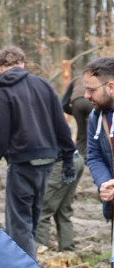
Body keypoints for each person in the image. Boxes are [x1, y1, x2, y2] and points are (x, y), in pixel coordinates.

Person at [0, 46, 76, 260]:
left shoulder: (3, 92)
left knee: (19, 225)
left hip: (22, 163)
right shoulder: (44, 85)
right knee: (32, 221)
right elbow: (62, 126)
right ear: (23, 64)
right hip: (48, 161)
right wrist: (68, 159)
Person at [83, 57, 114, 221]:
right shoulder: (96, 117)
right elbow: (94, 155)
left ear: (111, 87)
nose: (86, 95)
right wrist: (105, 183)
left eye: (91, 90)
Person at [35, 150, 84, 251]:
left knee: (41, 211)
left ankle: (39, 254)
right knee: (63, 211)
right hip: (74, 158)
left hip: (60, 163)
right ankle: (68, 253)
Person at [61, 75, 93, 160]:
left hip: (77, 103)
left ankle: (81, 158)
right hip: (91, 102)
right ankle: (94, 156)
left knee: (81, 133)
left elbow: (64, 102)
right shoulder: (94, 77)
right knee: (95, 130)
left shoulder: (75, 79)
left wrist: (72, 112)